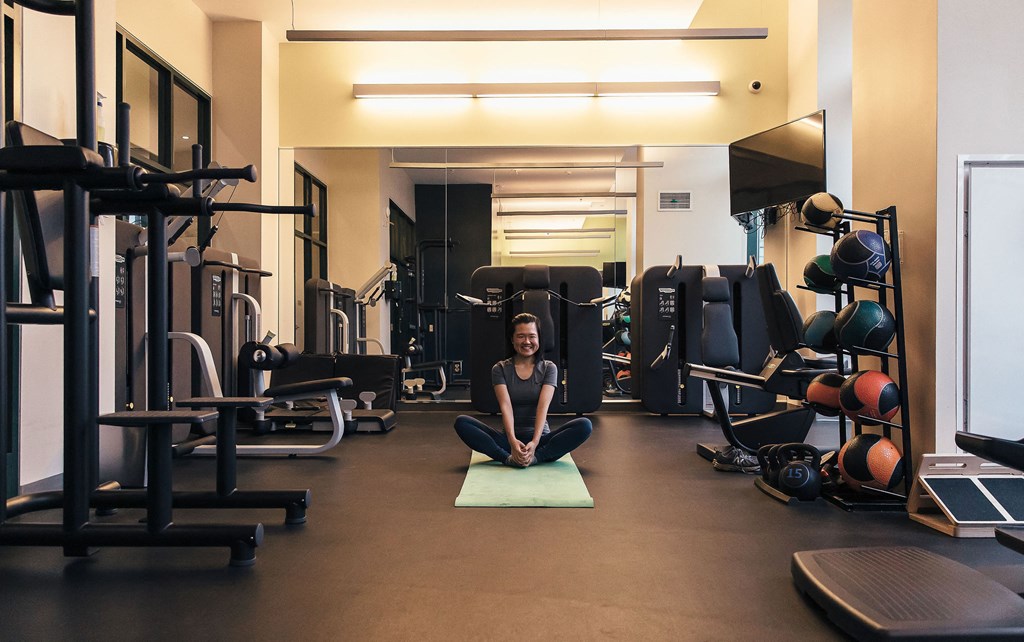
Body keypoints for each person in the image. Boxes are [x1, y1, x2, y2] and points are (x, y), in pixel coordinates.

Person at [454, 312, 592, 467]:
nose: (527, 341)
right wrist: (512, 441)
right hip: (508, 442)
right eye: (521, 336)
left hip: (541, 442)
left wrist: (534, 442)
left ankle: (536, 458)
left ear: (539, 339)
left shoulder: (549, 368)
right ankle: (507, 458)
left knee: (584, 425)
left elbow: (542, 407)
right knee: (462, 422)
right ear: (512, 339)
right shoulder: (499, 369)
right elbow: (505, 406)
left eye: (532, 336)